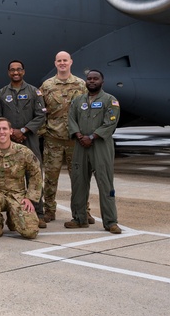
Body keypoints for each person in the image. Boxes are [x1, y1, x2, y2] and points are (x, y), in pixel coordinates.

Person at [65, 70, 122, 234]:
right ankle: (79, 218)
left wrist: (92, 137)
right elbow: (71, 119)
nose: (91, 81)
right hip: (80, 145)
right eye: (89, 79)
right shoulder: (77, 101)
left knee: (105, 184)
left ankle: (111, 222)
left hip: (101, 146)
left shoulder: (110, 101)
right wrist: (79, 136)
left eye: (95, 79)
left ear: (102, 81)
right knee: (78, 183)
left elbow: (110, 123)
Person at [0, 59, 47, 227]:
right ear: (8, 72)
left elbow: (41, 115)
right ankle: (11, 212)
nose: (15, 72)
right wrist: (10, 133)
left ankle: (38, 212)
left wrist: (23, 131)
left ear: (23, 71)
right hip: (8, 142)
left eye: (19, 69)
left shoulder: (33, 92)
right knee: (8, 177)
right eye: (12, 70)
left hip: (29, 139)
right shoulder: (0, 94)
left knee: (34, 175)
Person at [39, 51, 91, 225]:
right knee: (51, 178)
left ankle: (84, 210)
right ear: (55, 63)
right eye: (59, 61)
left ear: (71, 62)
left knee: (78, 178)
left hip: (74, 141)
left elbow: (87, 110)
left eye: (65, 60)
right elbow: (40, 111)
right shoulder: (47, 86)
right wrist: (43, 131)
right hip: (53, 140)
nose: (62, 63)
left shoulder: (81, 84)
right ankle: (49, 211)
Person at [0, 118, 41, 239]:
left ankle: (12, 218)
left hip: (18, 196)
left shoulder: (23, 151)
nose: (1, 132)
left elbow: (35, 174)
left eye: (4, 129)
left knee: (31, 233)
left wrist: (30, 198)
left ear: (11, 131)